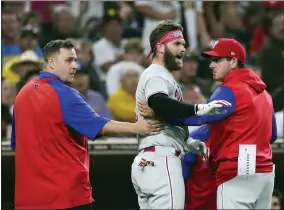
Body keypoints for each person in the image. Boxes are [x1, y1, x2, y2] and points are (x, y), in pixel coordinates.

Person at [11, 39, 162, 210]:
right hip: (66, 197)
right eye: (68, 60)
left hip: (28, 199)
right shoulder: (65, 93)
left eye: (75, 60)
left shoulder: (22, 94)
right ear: (51, 62)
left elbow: (18, 144)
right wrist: (135, 128)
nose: (75, 66)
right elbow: (100, 126)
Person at [139, 38, 277, 209]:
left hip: (238, 171)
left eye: (218, 60)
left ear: (233, 62)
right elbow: (272, 135)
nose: (211, 65)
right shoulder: (265, 94)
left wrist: (162, 114)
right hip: (265, 173)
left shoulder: (230, 89)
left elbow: (196, 118)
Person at [131, 20, 231, 209]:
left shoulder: (161, 75)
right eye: (177, 43)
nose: (183, 49)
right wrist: (199, 109)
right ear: (160, 47)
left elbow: (166, 116)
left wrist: (189, 143)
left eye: (183, 43)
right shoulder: (156, 74)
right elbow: (159, 103)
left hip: (150, 160)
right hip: (162, 161)